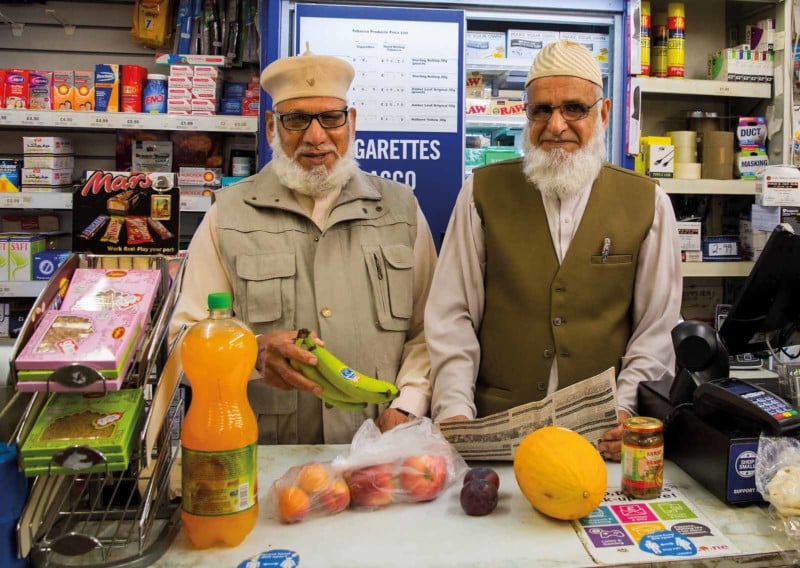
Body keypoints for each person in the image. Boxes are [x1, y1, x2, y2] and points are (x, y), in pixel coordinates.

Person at [426, 40, 682, 462]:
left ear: (602, 113)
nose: (555, 125)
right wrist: (455, 411)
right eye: (541, 110)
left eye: (574, 109)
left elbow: (657, 327)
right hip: (495, 436)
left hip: (601, 441)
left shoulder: (648, 202)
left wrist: (626, 407)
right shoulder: (481, 192)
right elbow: (452, 314)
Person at [170, 47, 437, 444]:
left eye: (331, 118)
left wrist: (408, 405)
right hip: (268, 455)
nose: (316, 137)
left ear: (352, 123)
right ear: (271, 127)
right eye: (296, 119)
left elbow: (429, 329)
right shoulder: (227, 214)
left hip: (381, 451)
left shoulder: (401, 209)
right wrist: (252, 353)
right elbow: (184, 339)